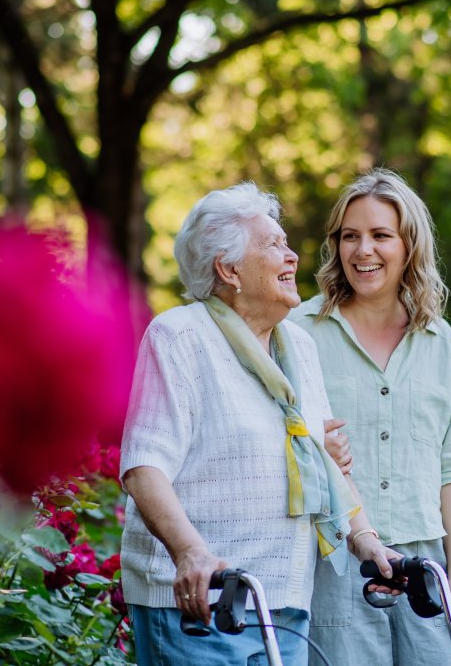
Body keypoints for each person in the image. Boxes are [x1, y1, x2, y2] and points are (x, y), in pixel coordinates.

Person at [119, 182, 397, 666]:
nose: (292, 257)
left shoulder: (298, 347)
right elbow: (144, 466)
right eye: (274, 245)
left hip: (285, 600)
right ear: (229, 269)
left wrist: (365, 538)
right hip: (204, 602)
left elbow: (321, 462)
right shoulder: (181, 337)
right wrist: (190, 553)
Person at [293, 169, 451, 665]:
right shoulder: (298, 333)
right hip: (334, 567)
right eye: (350, 236)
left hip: (426, 569)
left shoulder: (438, 340)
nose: (363, 251)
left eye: (381, 235)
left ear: (409, 246)